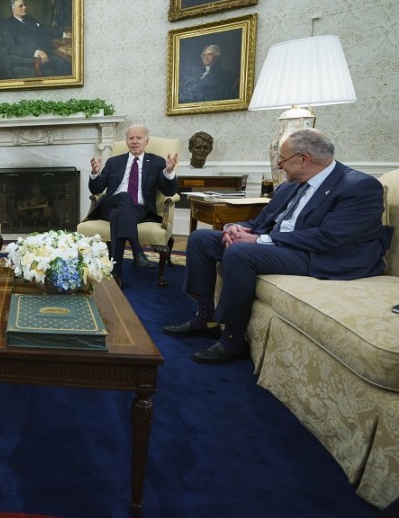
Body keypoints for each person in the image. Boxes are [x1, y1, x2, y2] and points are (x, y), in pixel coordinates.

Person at [164, 129, 387, 364]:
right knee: (201, 239)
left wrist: (259, 240)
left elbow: (329, 238)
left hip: (322, 255)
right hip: (281, 246)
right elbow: (260, 222)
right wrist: (236, 227)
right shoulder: (291, 185)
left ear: (304, 159)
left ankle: (233, 338)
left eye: (283, 159)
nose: (279, 165)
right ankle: (205, 318)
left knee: (240, 252)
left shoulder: (358, 186)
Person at [85, 125, 179, 286]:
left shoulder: (157, 162)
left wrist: (169, 172)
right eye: (131, 138)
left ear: (146, 141)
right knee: (123, 196)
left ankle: (116, 273)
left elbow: (168, 191)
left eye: (139, 138)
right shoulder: (114, 161)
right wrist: (95, 174)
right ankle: (138, 252)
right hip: (110, 204)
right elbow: (97, 189)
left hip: (139, 209)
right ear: (127, 141)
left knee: (118, 216)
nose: (134, 141)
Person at [0, 0, 71, 78]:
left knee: (68, 59)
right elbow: (11, 48)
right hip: (30, 58)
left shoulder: (29, 18)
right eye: (21, 6)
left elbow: (44, 29)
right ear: (13, 9)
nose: (24, 7)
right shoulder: (7, 25)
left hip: (46, 51)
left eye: (24, 5)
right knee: (63, 64)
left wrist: (63, 34)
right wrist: (36, 52)